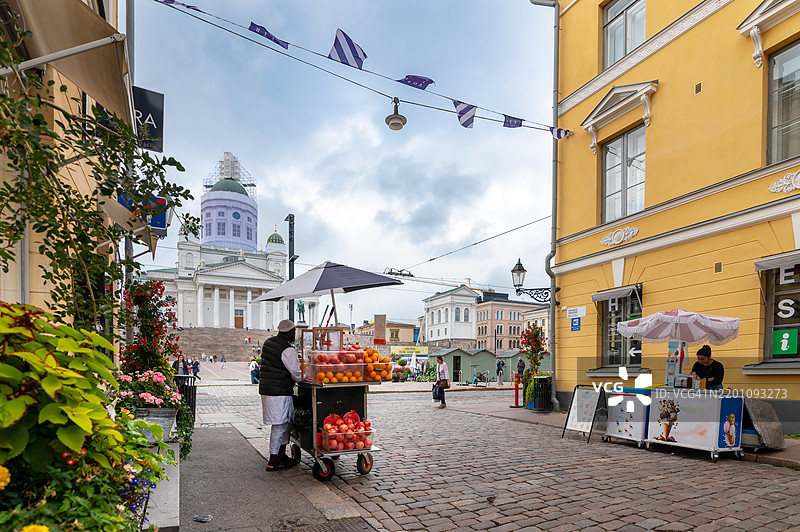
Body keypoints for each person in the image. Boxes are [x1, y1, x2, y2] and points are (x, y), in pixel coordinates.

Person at [259, 319, 302, 470]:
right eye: (294, 332)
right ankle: (273, 460)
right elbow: (296, 374)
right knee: (279, 425)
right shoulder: (288, 349)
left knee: (284, 424)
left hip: (268, 389)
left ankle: (281, 456)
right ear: (290, 332)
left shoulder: (268, 342)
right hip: (280, 392)